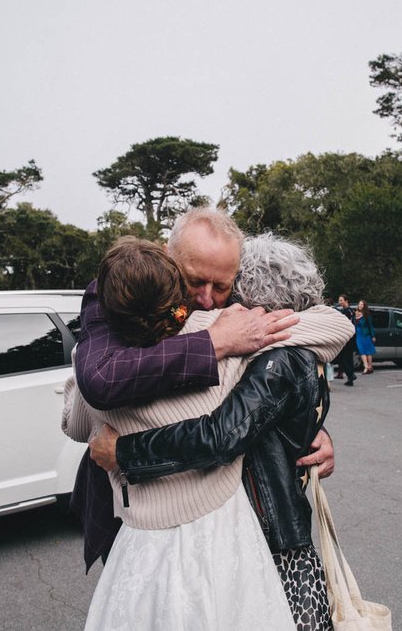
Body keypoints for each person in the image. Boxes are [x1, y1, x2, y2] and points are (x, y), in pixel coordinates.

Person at [63, 235, 352, 630]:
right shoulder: (168, 323)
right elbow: (222, 428)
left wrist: (313, 428)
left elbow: (232, 426)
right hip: (160, 522)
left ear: (245, 297)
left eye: (221, 288)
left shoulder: (250, 341)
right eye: (194, 282)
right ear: (170, 262)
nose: (204, 300)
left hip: (257, 524)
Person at [333, 294, 357, 385]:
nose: (339, 302)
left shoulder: (346, 311)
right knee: (349, 358)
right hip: (351, 336)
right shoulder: (351, 310)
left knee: (341, 358)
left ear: (346, 301)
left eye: (341, 300)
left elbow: (343, 324)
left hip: (346, 337)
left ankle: (350, 374)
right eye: (339, 300)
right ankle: (350, 378)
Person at [355, 299, 377, 374]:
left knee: (368, 352)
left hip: (366, 335)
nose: (360, 305)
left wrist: (373, 336)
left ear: (364, 306)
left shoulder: (367, 315)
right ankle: (366, 367)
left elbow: (371, 326)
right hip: (358, 335)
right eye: (359, 304)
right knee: (362, 351)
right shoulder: (356, 313)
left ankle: (370, 366)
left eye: (362, 304)